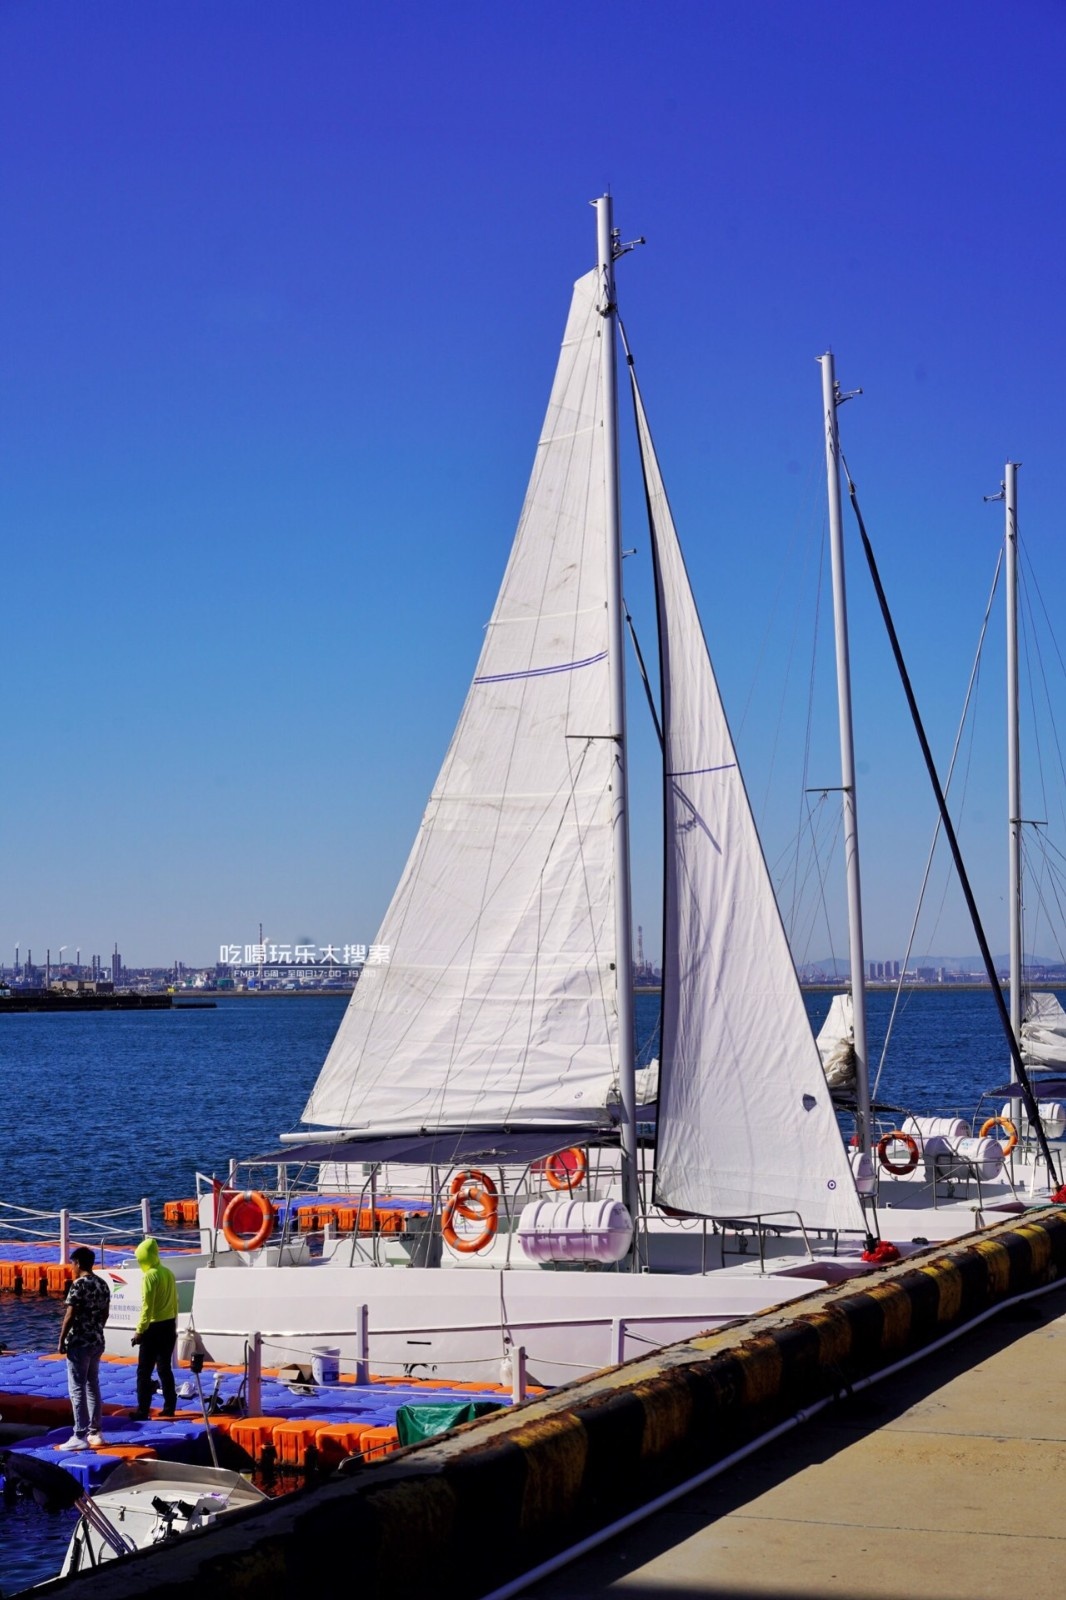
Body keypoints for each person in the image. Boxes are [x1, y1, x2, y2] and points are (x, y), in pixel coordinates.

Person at [57, 1246, 110, 1450]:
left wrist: (61, 1339)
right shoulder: (102, 1284)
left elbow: (70, 1315)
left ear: (78, 1263)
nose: (71, 1267)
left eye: (72, 1263)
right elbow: (105, 1314)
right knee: (92, 1384)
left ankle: (79, 1434)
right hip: (97, 1340)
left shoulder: (78, 1285)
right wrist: (96, 1329)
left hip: (79, 1342)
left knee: (77, 1387)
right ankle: (95, 1432)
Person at [129, 1236, 178, 1420]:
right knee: (164, 1369)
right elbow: (175, 1302)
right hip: (169, 1325)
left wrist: (139, 1331)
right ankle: (170, 1406)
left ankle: (143, 1410)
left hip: (153, 1328)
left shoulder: (149, 1276)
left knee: (144, 1371)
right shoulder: (168, 1273)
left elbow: (147, 1307)